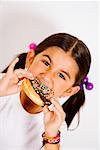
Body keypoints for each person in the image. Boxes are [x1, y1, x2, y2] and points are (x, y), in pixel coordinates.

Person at [0, 33, 93, 150]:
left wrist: (51, 136)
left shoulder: (56, 129)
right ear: (30, 59)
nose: (47, 76)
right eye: (46, 63)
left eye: (61, 75)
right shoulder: (1, 84)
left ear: (69, 91)